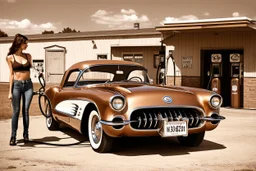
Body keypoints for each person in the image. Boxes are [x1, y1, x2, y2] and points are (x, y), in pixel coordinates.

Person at [6, 34, 33, 146]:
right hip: (16, 86)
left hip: (28, 86)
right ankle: (13, 136)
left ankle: (26, 135)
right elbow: (11, 74)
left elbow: (29, 70)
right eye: (25, 43)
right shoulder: (10, 58)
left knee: (26, 111)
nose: (27, 45)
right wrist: (9, 91)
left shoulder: (28, 56)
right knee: (16, 111)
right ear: (19, 43)